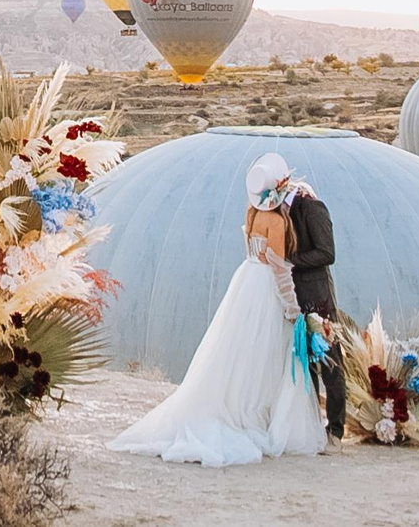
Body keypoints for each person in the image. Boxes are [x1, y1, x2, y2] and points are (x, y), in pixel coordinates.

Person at [106, 153, 327, 465]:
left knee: (238, 349)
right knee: (264, 352)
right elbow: (278, 268)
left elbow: (256, 254)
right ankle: (256, 414)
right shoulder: (277, 221)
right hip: (264, 287)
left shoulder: (252, 214)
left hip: (246, 279)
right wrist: (292, 308)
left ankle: (237, 405)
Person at [285, 163, 347, 440]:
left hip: (318, 297)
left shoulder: (312, 208)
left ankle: (335, 429)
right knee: (304, 364)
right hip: (294, 297)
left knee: (330, 365)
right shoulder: (280, 213)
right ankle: (311, 425)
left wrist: (290, 262)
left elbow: (326, 253)